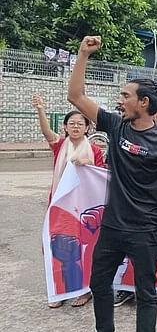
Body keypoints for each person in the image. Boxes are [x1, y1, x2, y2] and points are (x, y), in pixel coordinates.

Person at [65, 36, 157, 332]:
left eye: (125, 96)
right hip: (112, 226)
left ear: (144, 102)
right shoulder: (115, 124)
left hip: (146, 230)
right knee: (99, 283)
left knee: (146, 293)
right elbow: (75, 96)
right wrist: (82, 54)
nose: (119, 101)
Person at [32, 93, 106, 308]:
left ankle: (84, 291)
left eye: (79, 124)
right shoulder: (60, 146)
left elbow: (100, 177)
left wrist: (88, 165)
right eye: (71, 124)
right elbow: (47, 132)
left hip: (84, 208)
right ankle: (59, 291)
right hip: (61, 206)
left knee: (84, 249)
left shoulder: (93, 150)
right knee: (60, 249)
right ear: (65, 127)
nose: (75, 127)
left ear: (87, 128)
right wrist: (40, 110)